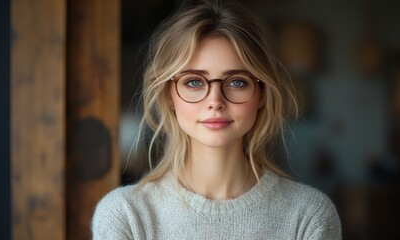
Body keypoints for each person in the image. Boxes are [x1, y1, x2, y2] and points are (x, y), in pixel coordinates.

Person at [92, 0, 342, 239]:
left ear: (262, 94)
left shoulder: (308, 216)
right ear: (169, 95)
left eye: (236, 82)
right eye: (193, 82)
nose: (215, 100)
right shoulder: (125, 215)